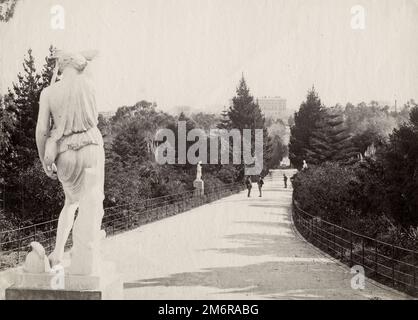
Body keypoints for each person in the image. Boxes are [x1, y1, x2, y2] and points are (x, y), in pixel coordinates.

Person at [36, 49, 104, 268]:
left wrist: (44, 159)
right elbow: (93, 56)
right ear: (79, 64)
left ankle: (57, 253)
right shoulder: (89, 82)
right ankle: (84, 249)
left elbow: (41, 130)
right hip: (91, 145)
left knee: (70, 204)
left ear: (60, 66)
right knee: (92, 200)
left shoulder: (48, 92)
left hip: (64, 151)